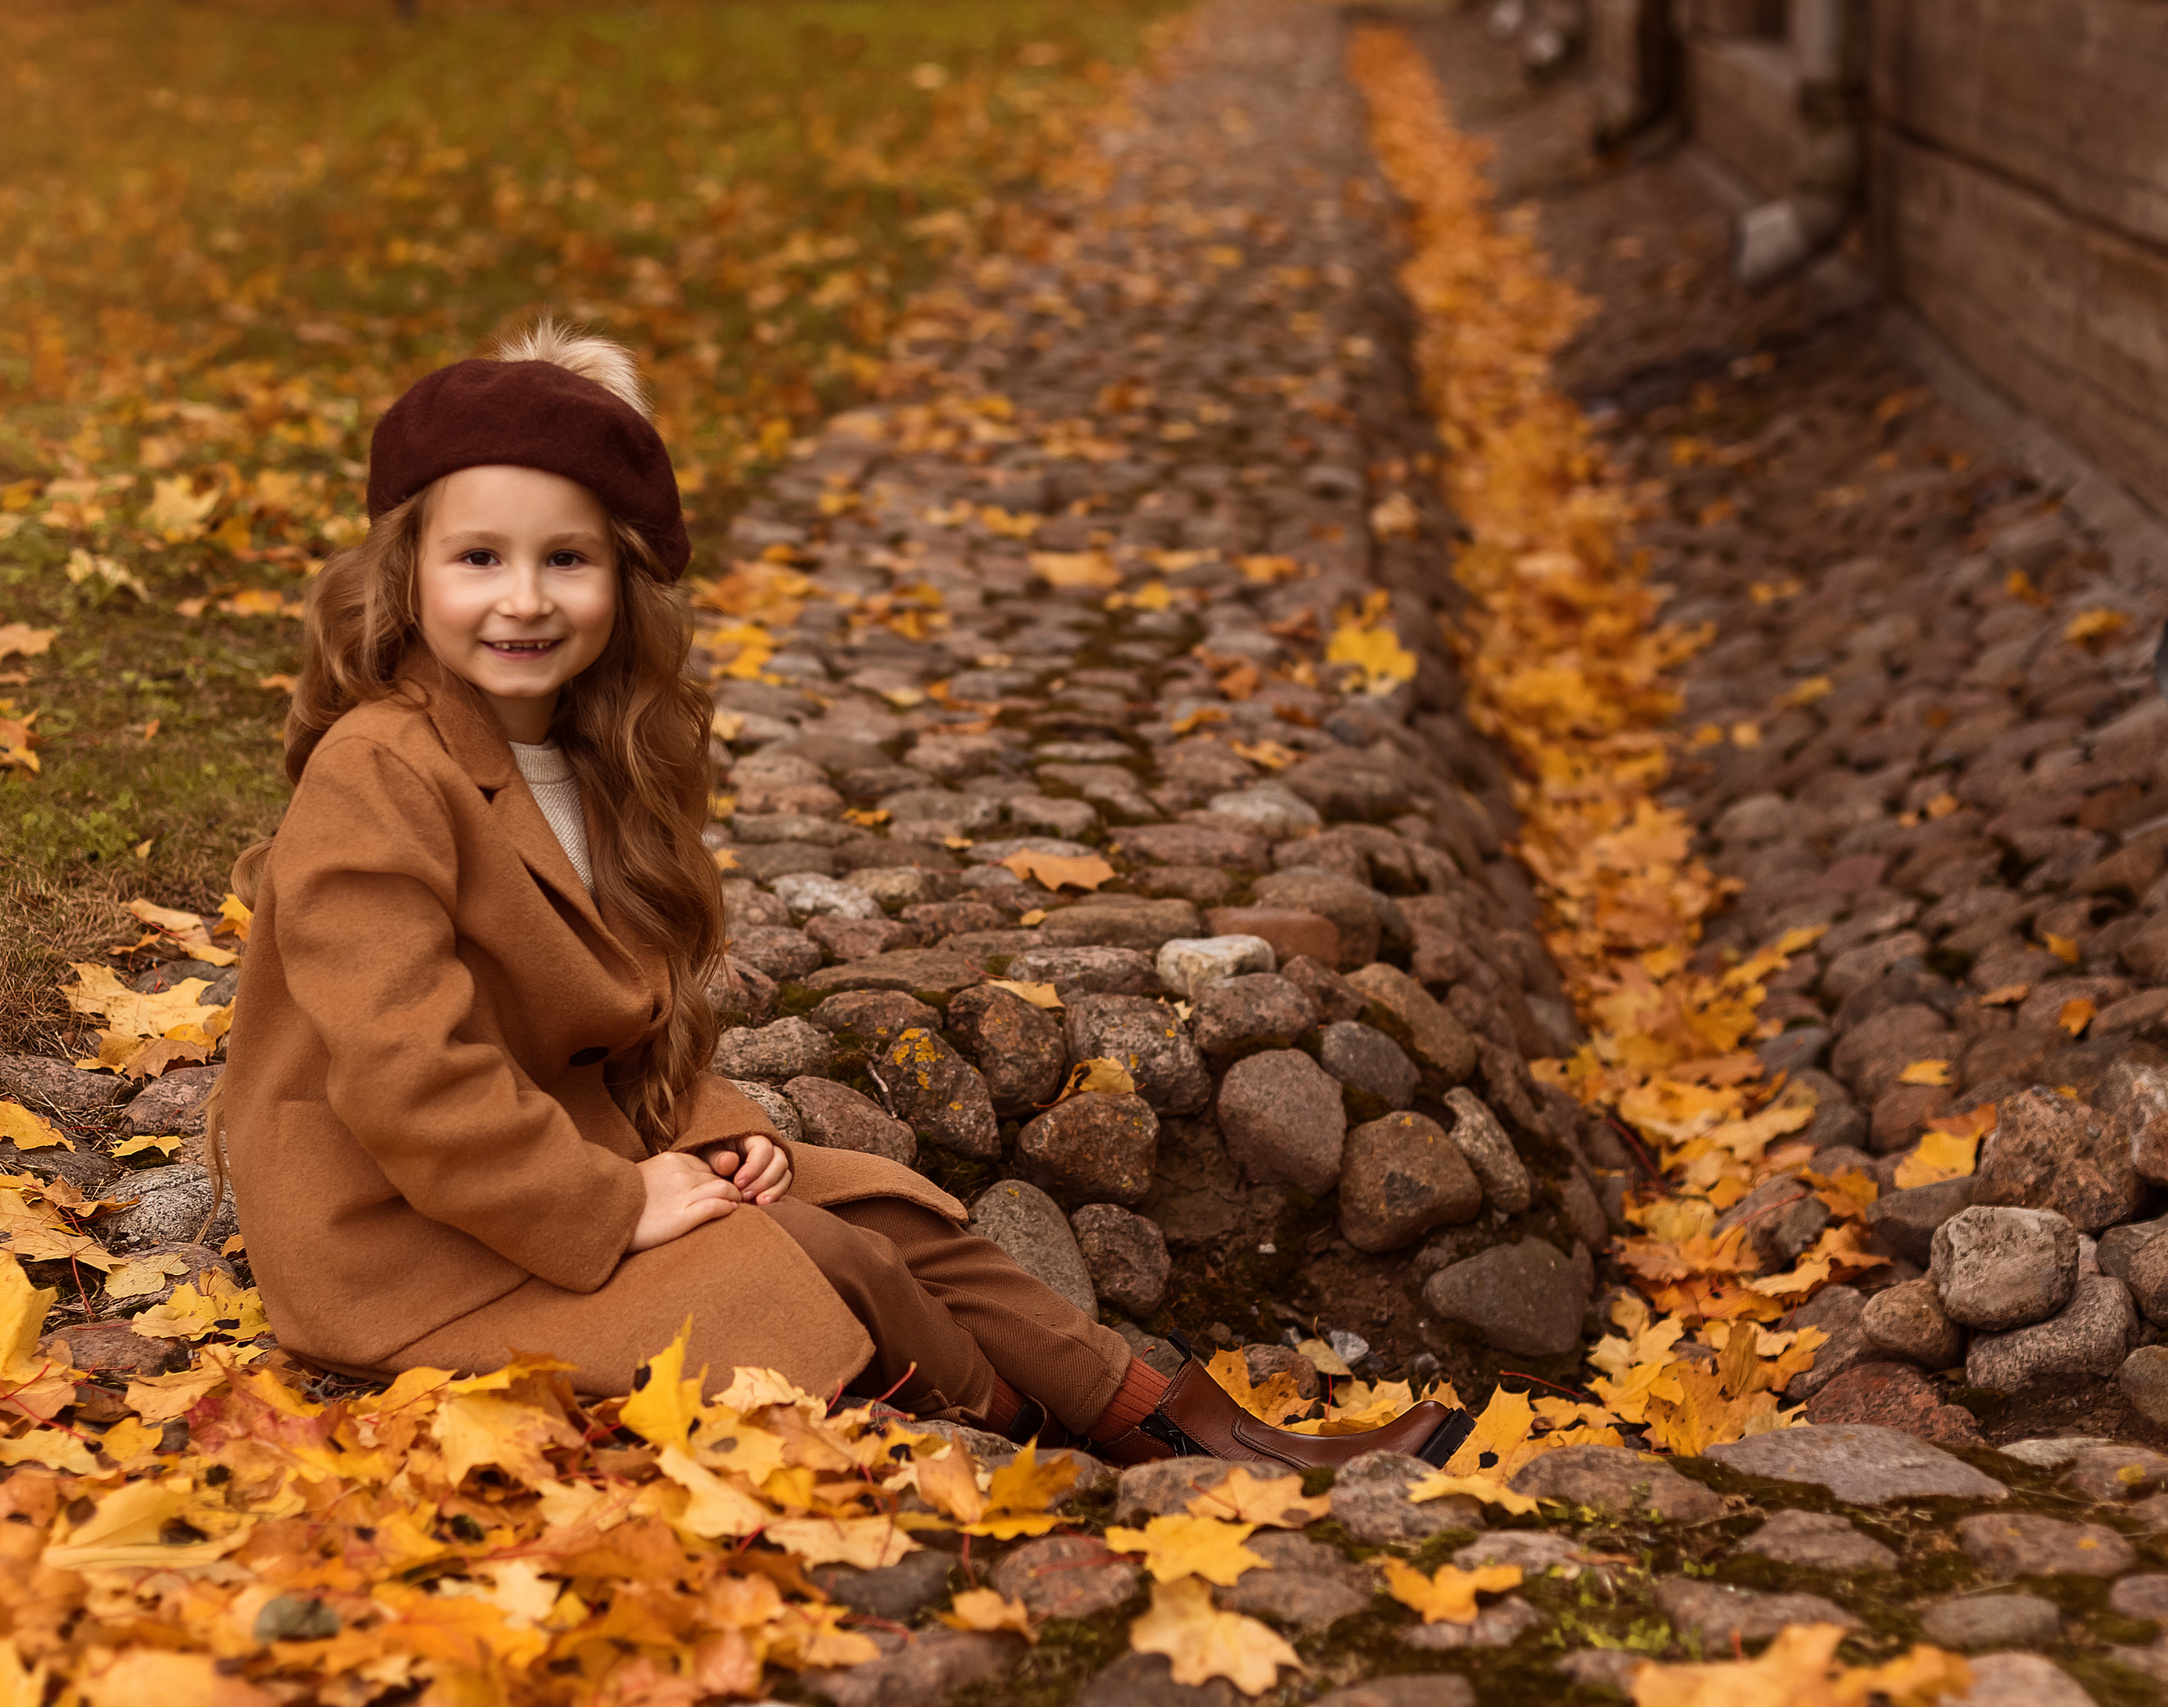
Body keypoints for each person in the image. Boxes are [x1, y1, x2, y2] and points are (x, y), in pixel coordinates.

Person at [212, 321, 1470, 1471]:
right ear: (406, 568)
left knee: (894, 1221)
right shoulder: (378, 768)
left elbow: (617, 1027)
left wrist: (704, 1129)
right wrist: (614, 1202)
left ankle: (1191, 1426)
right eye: (479, 557)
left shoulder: (594, 762)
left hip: (545, 1169)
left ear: (622, 580)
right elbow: (402, 1070)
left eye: (568, 559)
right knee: (806, 1267)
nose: (525, 599)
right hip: (403, 1237)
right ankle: (1022, 1454)